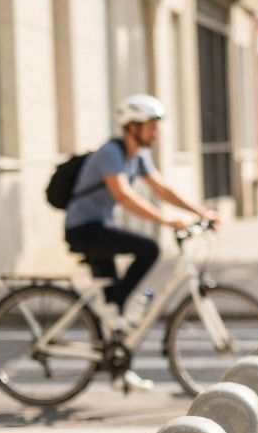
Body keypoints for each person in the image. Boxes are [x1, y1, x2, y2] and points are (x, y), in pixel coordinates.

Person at [65, 94, 221, 392]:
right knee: (148, 248)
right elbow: (123, 195)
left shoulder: (138, 155)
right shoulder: (111, 153)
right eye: (151, 126)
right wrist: (166, 221)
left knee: (115, 308)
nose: (156, 133)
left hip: (101, 228)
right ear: (132, 126)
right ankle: (115, 310)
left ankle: (119, 371)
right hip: (83, 229)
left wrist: (199, 212)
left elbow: (163, 189)